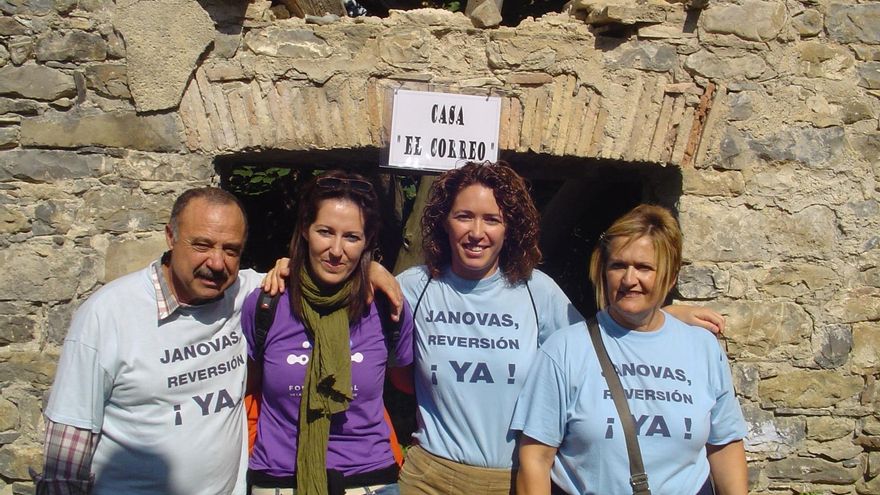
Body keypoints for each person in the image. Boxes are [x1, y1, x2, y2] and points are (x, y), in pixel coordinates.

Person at [35, 186, 404, 495]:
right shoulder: (108, 314)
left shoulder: (244, 293)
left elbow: (319, 271)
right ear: (170, 236)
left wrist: (368, 266)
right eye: (202, 244)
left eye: (231, 250)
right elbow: (68, 445)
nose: (216, 262)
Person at [394, 161, 725, 495]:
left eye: (492, 219)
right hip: (431, 478)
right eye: (464, 216)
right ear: (444, 221)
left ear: (510, 227)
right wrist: (377, 272)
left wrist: (664, 314)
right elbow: (386, 359)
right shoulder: (414, 287)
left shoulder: (536, 290)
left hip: (513, 479)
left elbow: (597, 345)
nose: (477, 232)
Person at [512, 204, 748, 495]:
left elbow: (725, 446)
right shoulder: (564, 350)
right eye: (618, 265)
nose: (629, 279)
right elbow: (535, 459)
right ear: (603, 272)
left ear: (671, 277)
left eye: (644, 268)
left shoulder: (702, 348)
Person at [242, 171, 414, 495]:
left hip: (370, 482)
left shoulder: (384, 307)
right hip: (279, 481)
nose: (336, 250)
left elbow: (406, 382)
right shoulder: (267, 304)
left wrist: (372, 270)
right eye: (325, 232)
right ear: (306, 230)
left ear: (367, 242)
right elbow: (247, 389)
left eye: (351, 237)